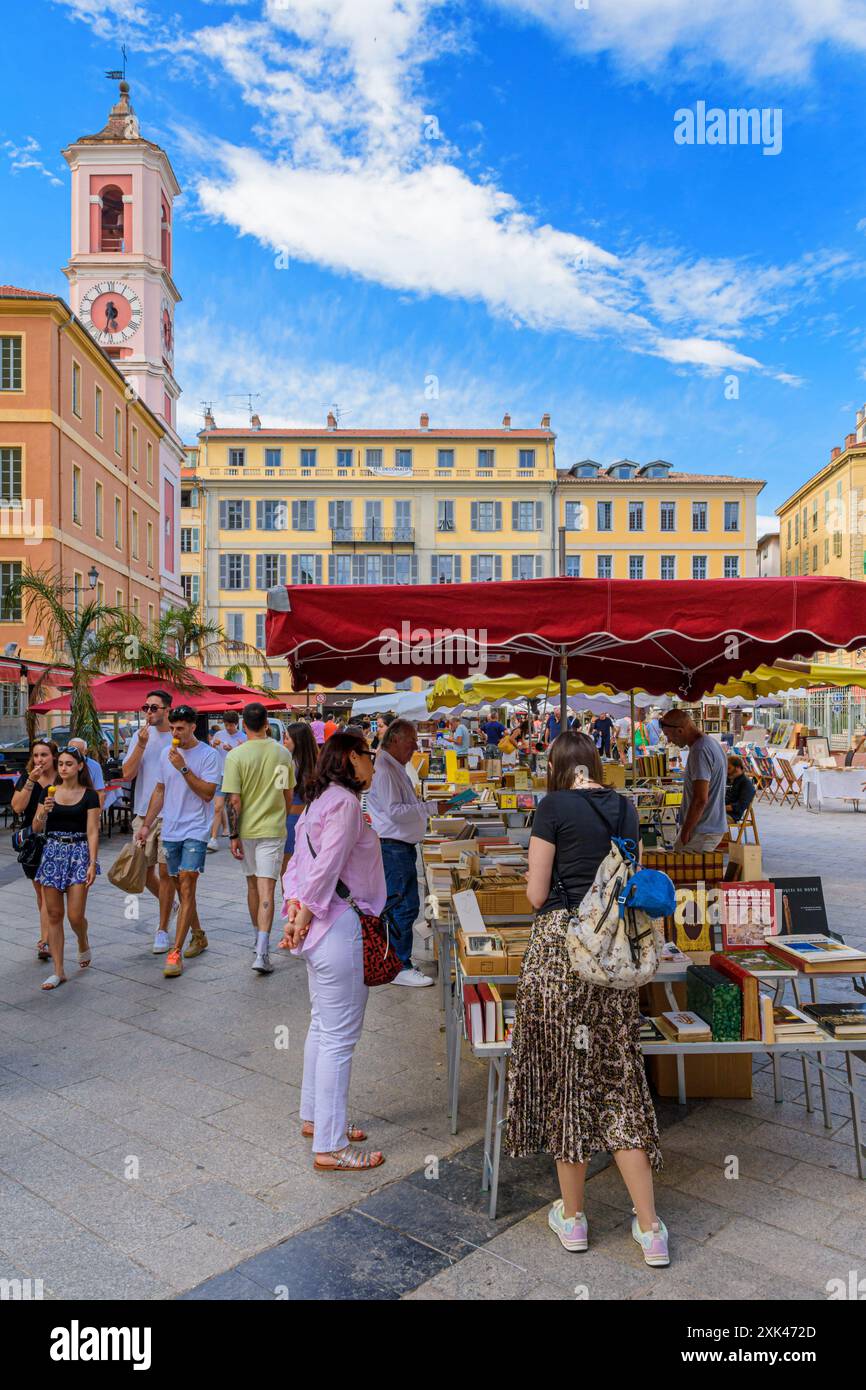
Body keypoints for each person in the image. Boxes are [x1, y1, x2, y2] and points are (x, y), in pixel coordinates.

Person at [505, 731, 668, 1266]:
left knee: (566, 1081)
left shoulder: (551, 806)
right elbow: (626, 886)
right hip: (611, 960)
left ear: (556, 768)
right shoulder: (624, 808)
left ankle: (573, 1220)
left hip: (559, 955)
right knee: (619, 1078)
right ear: (595, 765)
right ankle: (650, 1229)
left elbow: (535, 895)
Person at [281, 730, 387, 1171]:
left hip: (320, 928)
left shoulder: (319, 801)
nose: (373, 762)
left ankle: (317, 1119)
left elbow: (297, 865)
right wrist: (301, 915)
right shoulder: (343, 802)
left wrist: (294, 911)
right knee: (339, 1038)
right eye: (368, 754)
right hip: (338, 926)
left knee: (323, 1028)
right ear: (349, 758)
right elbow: (324, 866)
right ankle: (332, 1145)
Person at [135, 705, 220, 978]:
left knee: (187, 883)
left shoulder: (208, 755)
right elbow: (159, 790)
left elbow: (208, 793)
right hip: (169, 828)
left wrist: (182, 767)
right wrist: (147, 824)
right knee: (180, 888)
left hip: (195, 828)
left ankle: (175, 953)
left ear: (193, 727)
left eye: (180, 728)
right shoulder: (164, 753)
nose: (175, 733)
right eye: (172, 728)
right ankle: (198, 934)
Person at [222, 702, 296, 975]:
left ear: (243, 725)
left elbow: (234, 800)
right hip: (273, 829)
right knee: (268, 890)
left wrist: (233, 834)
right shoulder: (282, 754)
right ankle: (263, 952)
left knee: (252, 886)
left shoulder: (236, 756)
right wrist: (280, 814)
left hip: (248, 830)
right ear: (267, 724)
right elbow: (287, 795)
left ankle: (257, 939)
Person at [365, 718, 432, 987]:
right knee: (403, 906)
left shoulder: (394, 766)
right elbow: (395, 812)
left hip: (399, 846)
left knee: (403, 903)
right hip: (393, 846)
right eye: (411, 740)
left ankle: (398, 960)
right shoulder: (385, 768)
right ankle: (398, 965)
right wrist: (430, 809)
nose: (416, 745)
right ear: (394, 740)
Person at [31, 747, 101, 991]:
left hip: (78, 852)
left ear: (80, 766)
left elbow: (93, 831)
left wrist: (93, 863)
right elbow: (36, 827)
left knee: (74, 915)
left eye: (69, 764)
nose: (63, 768)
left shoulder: (90, 795)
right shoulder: (48, 793)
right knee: (53, 914)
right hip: (52, 852)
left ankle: (82, 939)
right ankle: (58, 971)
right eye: (60, 763)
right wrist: (44, 811)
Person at [122, 691, 176, 953]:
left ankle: (162, 929)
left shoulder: (178, 735)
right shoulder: (139, 737)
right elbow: (127, 774)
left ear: (168, 709)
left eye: (154, 707)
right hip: (144, 813)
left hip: (171, 814)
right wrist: (141, 746)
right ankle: (171, 905)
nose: (149, 712)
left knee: (166, 873)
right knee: (143, 874)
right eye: (146, 707)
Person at [12, 738, 59, 961]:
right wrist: (31, 780)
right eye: (36, 755)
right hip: (33, 840)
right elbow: (17, 807)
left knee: (46, 890)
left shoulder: (62, 777)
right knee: (41, 891)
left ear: (54, 757)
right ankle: (46, 937)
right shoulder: (28, 777)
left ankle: (46, 939)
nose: (39, 759)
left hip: (58, 837)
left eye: (44, 755)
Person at [661, 710, 728, 851]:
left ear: (680, 731)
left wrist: (686, 830)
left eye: (668, 735)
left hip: (702, 830)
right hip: (706, 828)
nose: (669, 741)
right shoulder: (710, 743)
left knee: (682, 870)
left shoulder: (700, 750)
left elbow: (700, 799)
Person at [281, 720, 319, 881]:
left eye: (287, 738)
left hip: (290, 821)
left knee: (288, 872)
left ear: (298, 741)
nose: (284, 742)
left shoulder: (284, 765)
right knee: (308, 871)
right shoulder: (320, 765)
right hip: (315, 822)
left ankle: (289, 905)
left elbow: (279, 793)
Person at [207, 712, 247, 851]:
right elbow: (212, 751)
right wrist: (213, 745)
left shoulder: (243, 737)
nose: (228, 727)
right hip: (220, 775)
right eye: (226, 724)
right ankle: (213, 839)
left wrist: (233, 750)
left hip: (235, 776)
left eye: (231, 724)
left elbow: (245, 758)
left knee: (234, 808)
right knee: (217, 807)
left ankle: (236, 835)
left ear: (237, 723)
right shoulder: (218, 735)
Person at [68, 737, 106, 811]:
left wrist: (98, 814)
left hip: (87, 807)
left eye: (78, 750)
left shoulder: (94, 766)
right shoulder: (62, 765)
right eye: (71, 750)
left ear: (85, 751)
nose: (74, 753)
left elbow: (100, 792)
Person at [725, 756, 756, 823]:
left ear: (738, 768)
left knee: (706, 819)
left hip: (731, 815)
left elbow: (740, 806)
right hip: (720, 811)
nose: (727, 771)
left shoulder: (746, 783)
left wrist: (719, 808)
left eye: (729, 768)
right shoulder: (727, 779)